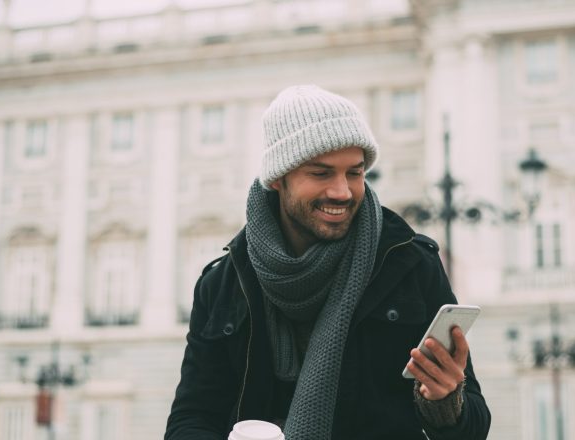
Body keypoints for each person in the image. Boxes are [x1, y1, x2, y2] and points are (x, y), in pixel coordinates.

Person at [164, 85, 491, 440]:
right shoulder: (224, 284)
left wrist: (446, 401)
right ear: (278, 178)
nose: (342, 191)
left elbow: (473, 429)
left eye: (355, 172)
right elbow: (191, 418)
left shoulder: (409, 264)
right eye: (321, 173)